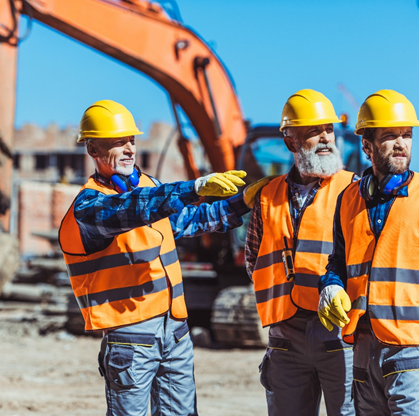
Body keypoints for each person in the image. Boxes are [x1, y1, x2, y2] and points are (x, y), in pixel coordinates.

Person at [58, 100, 265, 416]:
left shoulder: (149, 186)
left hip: (176, 333)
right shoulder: (90, 206)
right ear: (93, 150)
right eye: (118, 142)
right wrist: (193, 187)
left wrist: (241, 205)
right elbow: (133, 209)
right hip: (131, 340)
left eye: (132, 140)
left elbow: (189, 221)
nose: (129, 149)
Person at [317, 90, 419, 415]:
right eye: (390, 136)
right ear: (367, 146)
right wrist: (330, 285)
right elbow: (338, 263)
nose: (401, 144)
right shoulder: (348, 199)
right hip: (363, 346)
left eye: (406, 135)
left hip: (414, 347)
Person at [245, 89, 356, 416]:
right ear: (291, 141)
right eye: (313, 132)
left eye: (329, 130)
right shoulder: (267, 195)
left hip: (340, 333)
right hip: (286, 338)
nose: (325, 139)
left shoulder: (354, 190)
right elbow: (255, 261)